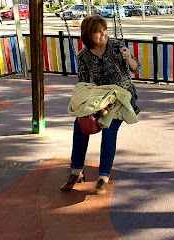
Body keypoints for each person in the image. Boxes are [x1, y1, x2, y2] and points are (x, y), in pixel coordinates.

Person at [60, 15, 141, 195]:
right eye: (98, 31)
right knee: (80, 124)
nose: (103, 34)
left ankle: (103, 177)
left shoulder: (116, 46)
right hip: (100, 98)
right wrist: (86, 104)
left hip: (121, 98)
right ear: (88, 35)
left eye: (104, 30)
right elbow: (83, 84)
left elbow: (137, 69)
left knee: (109, 127)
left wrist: (128, 58)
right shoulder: (83, 56)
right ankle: (76, 171)